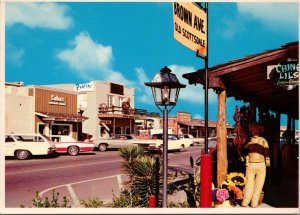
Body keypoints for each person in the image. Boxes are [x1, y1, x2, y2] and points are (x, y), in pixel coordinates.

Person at [241, 122, 270, 208]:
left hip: (261, 164)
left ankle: (254, 202)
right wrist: (246, 147)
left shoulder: (263, 140)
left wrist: (267, 159)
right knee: (248, 184)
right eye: (253, 130)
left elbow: (266, 150)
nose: (255, 131)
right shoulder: (248, 141)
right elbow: (243, 150)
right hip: (250, 164)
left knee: (259, 185)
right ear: (251, 131)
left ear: (259, 131)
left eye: (257, 129)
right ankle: (245, 201)